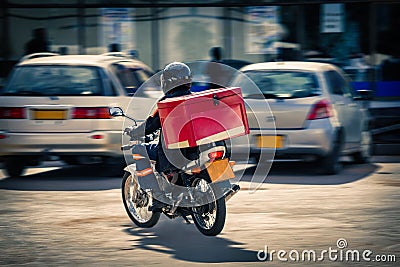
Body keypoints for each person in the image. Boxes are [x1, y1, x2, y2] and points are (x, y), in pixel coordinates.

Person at [125, 62, 194, 209]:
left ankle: (158, 197)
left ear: (167, 82)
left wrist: (134, 132)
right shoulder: (196, 99)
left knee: (139, 150)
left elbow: (151, 125)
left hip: (172, 153)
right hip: (196, 148)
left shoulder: (166, 104)